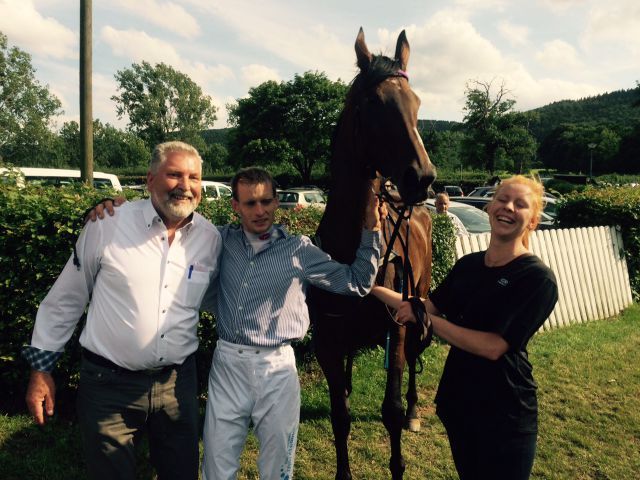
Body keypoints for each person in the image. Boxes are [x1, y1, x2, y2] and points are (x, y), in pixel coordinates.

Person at [23, 141, 222, 480]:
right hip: (108, 386)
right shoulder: (107, 224)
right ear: (149, 179)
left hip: (178, 385)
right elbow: (65, 300)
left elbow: (221, 298)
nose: (185, 186)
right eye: (174, 174)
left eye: (194, 177)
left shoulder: (210, 238)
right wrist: (40, 371)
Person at [201, 167, 383, 480]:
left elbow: (356, 283)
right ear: (235, 206)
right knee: (216, 468)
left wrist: (372, 232)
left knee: (277, 468)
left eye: (266, 201)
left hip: (277, 370)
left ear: (276, 203)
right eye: (250, 203)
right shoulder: (220, 241)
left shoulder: (298, 249)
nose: (260, 211)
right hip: (228, 366)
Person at [373, 175, 558, 480]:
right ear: (489, 206)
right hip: (460, 405)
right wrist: (368, 287)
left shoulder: (537, 278)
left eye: (520, 204)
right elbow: (424, 305)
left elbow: (493, 346)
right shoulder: (469, 265)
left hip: (506, 414)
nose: (507, 207)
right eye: (502, 199)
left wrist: (430, 322)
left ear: (533, 220)